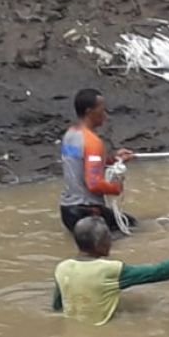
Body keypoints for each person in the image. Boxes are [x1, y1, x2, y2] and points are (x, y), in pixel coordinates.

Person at [52, 218, 169, 326]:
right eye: (108, 238)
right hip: (105, 329)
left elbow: (57, 307)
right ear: (100, 243)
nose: (111, 242)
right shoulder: (109, 270)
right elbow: (159, 272)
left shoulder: (62, 268)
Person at [59, 88, 137, 235]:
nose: (105, 115)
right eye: (102, 110)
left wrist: (114, 159)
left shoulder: (70, 135)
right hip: (87, 211)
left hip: (68, 211)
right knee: (133, 228)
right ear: (89, 112)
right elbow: (94, 184)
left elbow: (81, 162)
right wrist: (116, 187)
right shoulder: (93, 142)